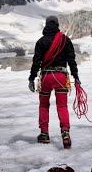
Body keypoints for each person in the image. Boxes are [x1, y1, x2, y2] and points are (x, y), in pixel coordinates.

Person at [28, 16, 80, 148]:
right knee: (62, 106)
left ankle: (44, 134)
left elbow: (36, 62)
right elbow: (72, 60)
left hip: (46, 77)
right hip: (61, 76)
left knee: (44, 105)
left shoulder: (41, 41)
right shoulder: (65, 40)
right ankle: (65, 132)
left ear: (46, 25)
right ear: (57, 25)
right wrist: (76, 77)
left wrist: (32, 78)